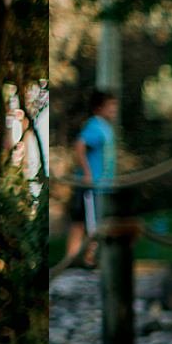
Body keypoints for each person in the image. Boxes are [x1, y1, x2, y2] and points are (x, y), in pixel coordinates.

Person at [56, 89, 116, 270]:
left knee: (82, 222)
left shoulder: (105, 127)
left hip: (101, 185)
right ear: (99, 107)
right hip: (92, 186)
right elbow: (80, 146)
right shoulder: (95, 125)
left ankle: (75, 260)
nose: (114, 109)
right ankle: (86, 261)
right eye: (110, 106)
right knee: (90, 223)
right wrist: (88, 173)